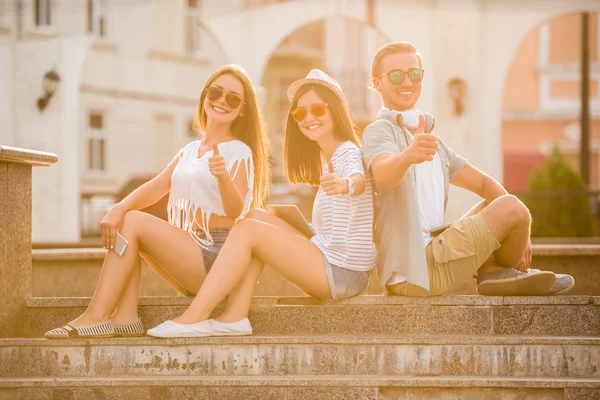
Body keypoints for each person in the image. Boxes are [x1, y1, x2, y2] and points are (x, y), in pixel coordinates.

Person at [146, 69, 377, 338]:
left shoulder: (347, 151)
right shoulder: (329, 156)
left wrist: (346, 185)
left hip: (343, 273)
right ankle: (235, 316)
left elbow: (356, 178)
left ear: (335, 110)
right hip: (335, 263)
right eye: (300, 114)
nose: (308, 118)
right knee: (253, 216)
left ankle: (195, 317)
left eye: (316, 109)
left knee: (248, 229)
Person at [44, 64, 270, 338]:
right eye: (216, 91)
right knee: (128, 220)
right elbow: (156, 187)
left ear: (242, 110)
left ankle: (96, 316)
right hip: (193, 252)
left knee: (134, 221)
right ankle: (125, 317)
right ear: (205, 95)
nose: (222, 101)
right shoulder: (189, 151)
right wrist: (117, 209)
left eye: (233, 98)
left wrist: (222, 176)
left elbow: (238, 214)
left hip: (218, 258)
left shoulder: (239, 151)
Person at [362, 42, 575, 297]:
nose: (407, 81)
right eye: (396, 74)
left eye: (414, 73)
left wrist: (522, 234)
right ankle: (496, 271)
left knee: (502, 203)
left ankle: (494, 272)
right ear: (377, 83)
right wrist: (409, 155)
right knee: (514, 209)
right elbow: (383, 175)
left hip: (433, 254)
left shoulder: (435, 145)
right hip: (415, 270)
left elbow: (485, 185)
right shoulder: (379, 131)